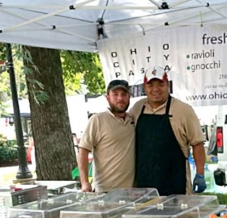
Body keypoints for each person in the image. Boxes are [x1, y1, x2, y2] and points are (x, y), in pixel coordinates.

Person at [130, 66, 206, 195]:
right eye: (150, 85)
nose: (156, 89)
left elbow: (197, 144)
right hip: (143, 183)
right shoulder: (137, 108)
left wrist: (200, 174)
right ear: (144, 88)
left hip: (176, 181)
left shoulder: (184, 110)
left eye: (161, 84)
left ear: (168, 86)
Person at [78, 79, 135, 192]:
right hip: (104, 192)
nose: (120, 98)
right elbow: (83, 150)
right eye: (115, 94)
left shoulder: (133, 119)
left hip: (131, 193)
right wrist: (84, 183)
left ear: (129, 97)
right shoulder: (97, 120)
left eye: (124, 94)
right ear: (107, 97)